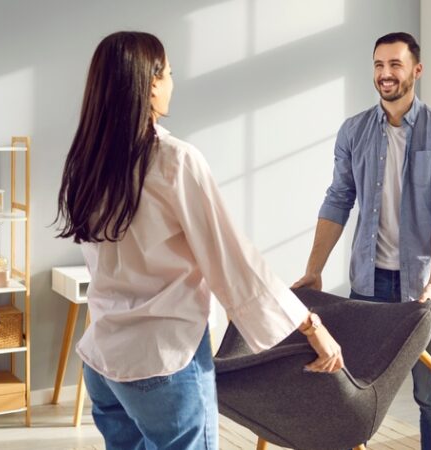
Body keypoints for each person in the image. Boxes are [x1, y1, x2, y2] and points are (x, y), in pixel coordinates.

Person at [55, 31, 344, 450]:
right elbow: (232, 260)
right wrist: (311, 326)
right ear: (150, 84)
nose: (173, 82)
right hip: (163, 362)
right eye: (169, 74)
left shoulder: (87, 161)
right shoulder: (174, 160)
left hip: (103, 361)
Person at [292, 32, 431, 450]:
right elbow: (337, 200)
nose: (385, 74)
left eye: (395, 65)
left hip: (423, 290)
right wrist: (313, 270)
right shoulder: (354, 131)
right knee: (356, 389)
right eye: (378, 65)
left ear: (416, 71)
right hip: (368, 287)